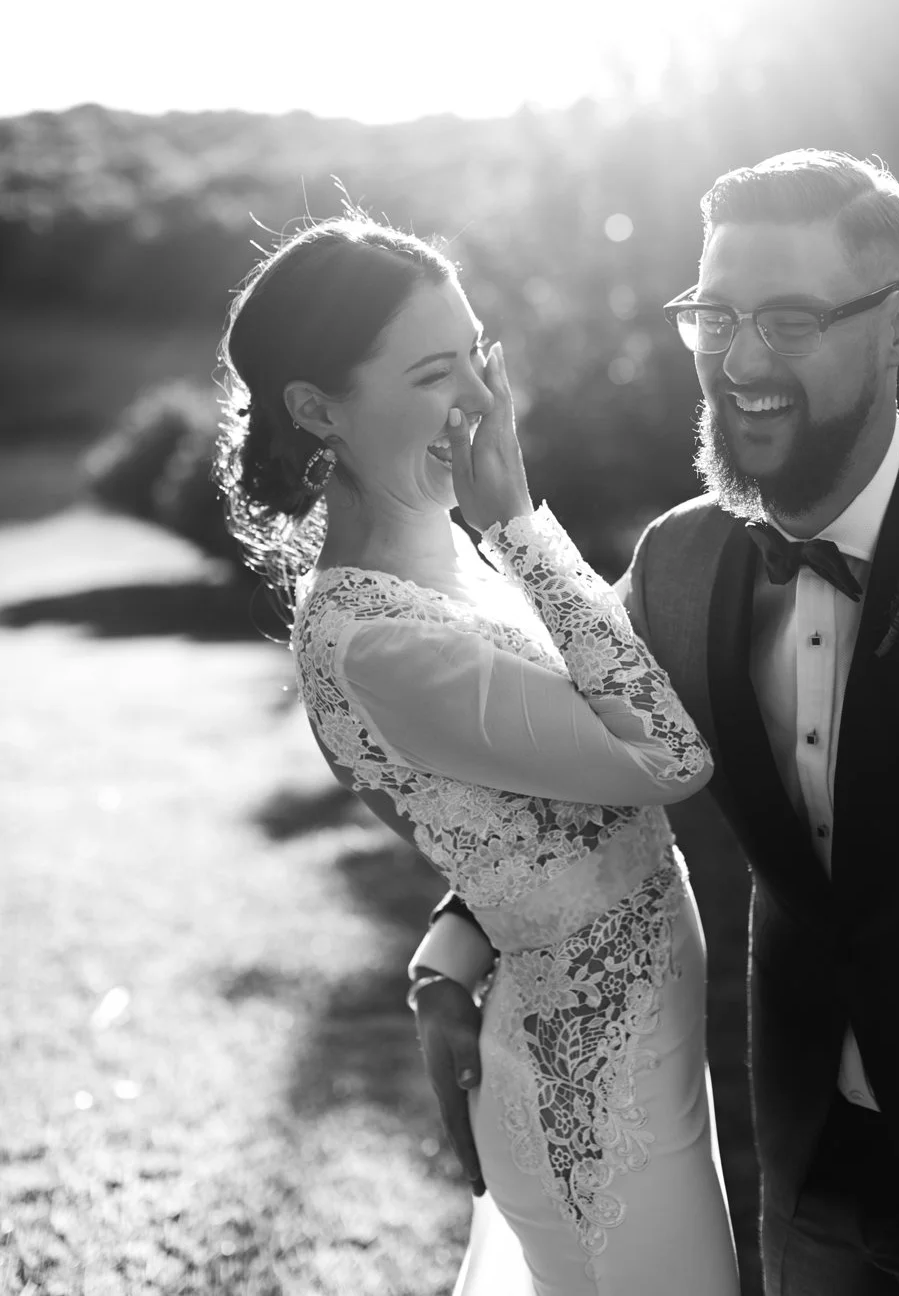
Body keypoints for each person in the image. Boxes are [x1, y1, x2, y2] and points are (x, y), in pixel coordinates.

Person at [413, 150, 899, 1295]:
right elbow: (576, 758)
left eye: (788, 321)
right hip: (803, 1144)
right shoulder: (681, 559)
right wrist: (457, 940)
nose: (738, 362)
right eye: (714, 315)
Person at [214, 215, 741, 1296]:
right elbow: (669, 759)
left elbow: (521, 823)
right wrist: (521, 527)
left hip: (619, 1062)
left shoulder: (438, 568)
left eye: (476, 355)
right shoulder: (382, 642)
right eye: (430, 372)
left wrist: (444, 957)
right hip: (594, 1104)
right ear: (319, 408)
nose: (482, 401)